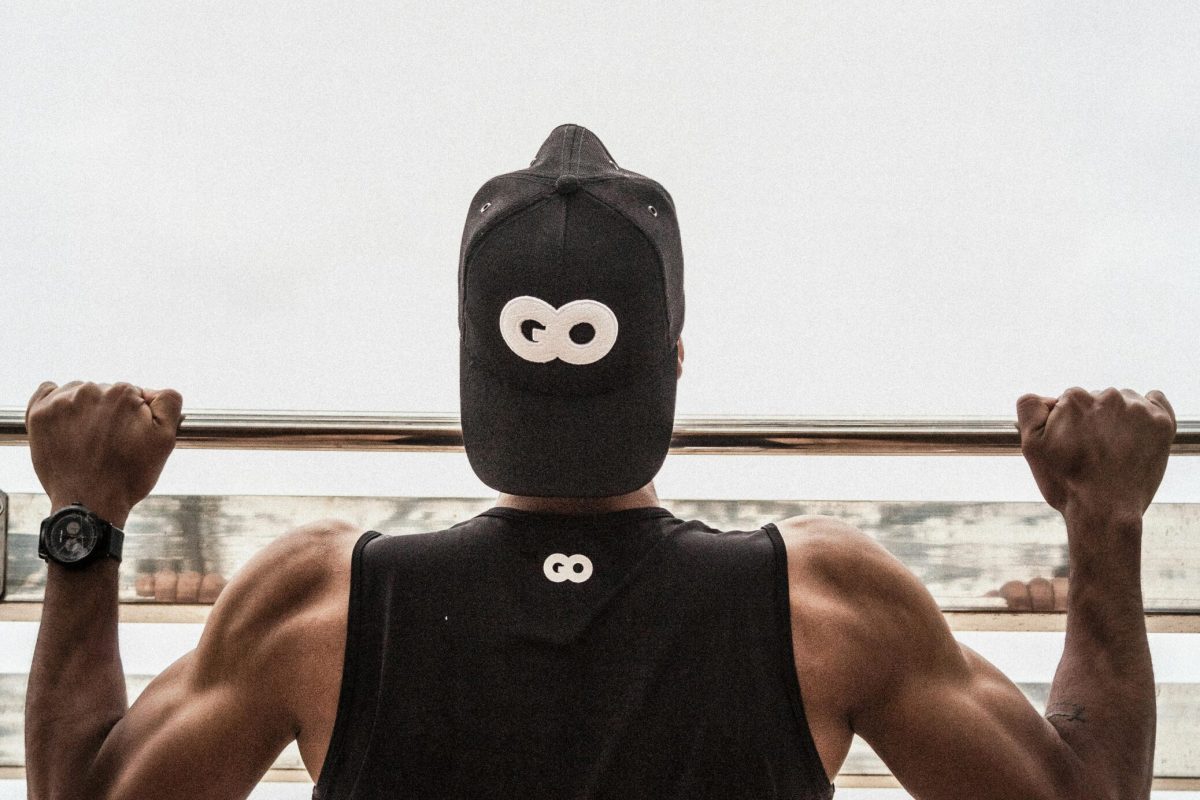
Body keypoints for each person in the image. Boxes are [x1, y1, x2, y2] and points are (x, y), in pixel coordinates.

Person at [24, 125, 1176, 800]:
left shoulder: (317, 602)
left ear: (474, 365)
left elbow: (83, 793)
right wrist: (1103, 519)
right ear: (672, 359)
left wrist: (85, 512)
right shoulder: (827, 599)